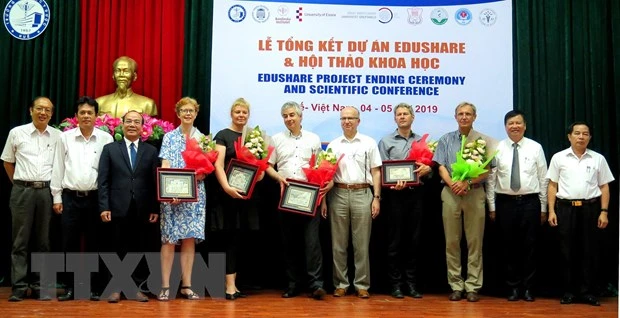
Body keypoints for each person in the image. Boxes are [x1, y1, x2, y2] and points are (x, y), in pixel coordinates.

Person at [50, 96, 113, 301]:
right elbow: (58, 167)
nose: (86, 116)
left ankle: (95, 287)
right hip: (70, 198)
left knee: (96, 243)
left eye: (90, 112)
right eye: (82, 112)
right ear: (76, 116)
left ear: (97, 116)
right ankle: (71, 287)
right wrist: (56, 197)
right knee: (70, 244)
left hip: (96, 199)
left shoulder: (106, 138)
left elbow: (108, 174)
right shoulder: (65, 137)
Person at [432, 102, 496, 302]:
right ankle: (456, 285)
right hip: (450, 193)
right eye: (461, 113)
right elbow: (440, 166)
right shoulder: (445, 139)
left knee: (474, 241)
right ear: (455, 116)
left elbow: (487, 169)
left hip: (475, 193)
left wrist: (468, 182)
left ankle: (473, 286)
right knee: (452, 242)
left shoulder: (484, 141)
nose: (464, 117)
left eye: (468, 114)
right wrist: (453, 184)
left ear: (474, 117)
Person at [546, 122, 614, 306]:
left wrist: (604, 211)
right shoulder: (558, 158)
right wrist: (551, 210)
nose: (581, 137)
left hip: (590, 209)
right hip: (566, 209)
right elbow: (552, 185)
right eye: (577, 133)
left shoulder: (598, 159)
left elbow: (604, 186)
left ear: (590, 137)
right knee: (566, 251)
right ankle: (568, 291)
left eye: (585, 134)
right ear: (569, 136)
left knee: (589, 251)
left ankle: (587, 292)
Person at [265, 101, 326, 300]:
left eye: (292, 115)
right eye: (285, 116)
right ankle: (293, 284)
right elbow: (267, 165)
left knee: (312, 243)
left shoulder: (314, 139)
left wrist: (321, 192)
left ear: (300, 116)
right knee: (288, 243)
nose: (289, 119)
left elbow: (321, 168)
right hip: (286, 196)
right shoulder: (276, 139)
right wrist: (278, 177)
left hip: (310, 197)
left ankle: (316, 285)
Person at [97, 110, 160, 303]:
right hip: (116, 207)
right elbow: (103, 181)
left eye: (137, 122)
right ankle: (115, 288)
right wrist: (103, 206)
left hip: (141, 209)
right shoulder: (110, 149)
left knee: (137, 249)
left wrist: (154, 208)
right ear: (121, 124)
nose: (132, 125)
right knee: (116, 248)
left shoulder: (150, 151)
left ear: (143, 127)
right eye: (129, 121)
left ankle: (134, 288)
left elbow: (154, 182)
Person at [1, 97, 60, 301]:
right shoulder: (17, 133)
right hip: (22, 191)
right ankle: (18, 286)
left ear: (52, 114)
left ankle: (39, 286)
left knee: (44, 241)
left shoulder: (58, 136)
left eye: (47, 110)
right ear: (31, 110)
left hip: (46, 192)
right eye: (39, 109)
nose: (43, 113)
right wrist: (20, 183)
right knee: (20, 241)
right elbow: (8, 162)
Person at [485, 110, 548, 302]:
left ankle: (528, 288)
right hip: (505, 204)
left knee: (530, 247)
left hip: (530, 202)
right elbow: (491, 180)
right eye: (511, 123)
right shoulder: (497, 148)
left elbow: (544, 179)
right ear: (505, 126)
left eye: (518, 123)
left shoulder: (535, 147)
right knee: (508, 247)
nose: (514, 126)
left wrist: (544, 207)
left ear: (525, 125)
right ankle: (512, 288)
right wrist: (492, 207)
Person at [320, 106, 382, 299]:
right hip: (337, 193)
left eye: (351, 118)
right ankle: (341, 284)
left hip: (362, 193)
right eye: (343, 118)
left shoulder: (369, 143)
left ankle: (362, 284)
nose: (346, 121)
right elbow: (326, 175)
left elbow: (376, 171)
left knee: (361, 243)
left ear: (358, 121)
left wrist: (376, 198)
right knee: (338, 243)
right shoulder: (333, 145)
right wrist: (322, 201)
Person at [377, 103, 432, 299]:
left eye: (405, 114)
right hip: (395, 196)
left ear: (412, 117)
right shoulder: (386, 141)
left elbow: (428, 169)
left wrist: (428, 170)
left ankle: (411, 284)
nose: (402, 117)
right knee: (394, 242)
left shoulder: (423, 141)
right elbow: (382, 170)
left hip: (416, 196)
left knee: (414, 241)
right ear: (395, 119)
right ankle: (396, 284)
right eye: (398, 114)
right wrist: (391, 183)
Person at [212, 97, 264, 300]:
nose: (241, 115)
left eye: (244, 112)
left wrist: (259, 175)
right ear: (231, 114)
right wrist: (226, 187)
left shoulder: (255, 137)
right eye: (238, 112)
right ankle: (229, 287)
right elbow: (218, 164)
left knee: (243, 239)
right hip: (228, 196)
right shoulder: (223, 135)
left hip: (249, 197)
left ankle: (238, 284)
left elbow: (260, 165)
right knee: (229, 240)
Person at [157, 97, 206, 301]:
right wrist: (169, 192)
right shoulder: (169, 137)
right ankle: (166, 286)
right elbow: (166, 164)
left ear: (196, 113)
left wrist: (201, 174)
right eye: (184, 110)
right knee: (169, 239)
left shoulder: (203, 138)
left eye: (191, 110)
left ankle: (186, 285)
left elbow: (205, 169)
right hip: (172, 195)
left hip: (195, 195)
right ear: (178, 113)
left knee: (189, 238)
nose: (187, 113)